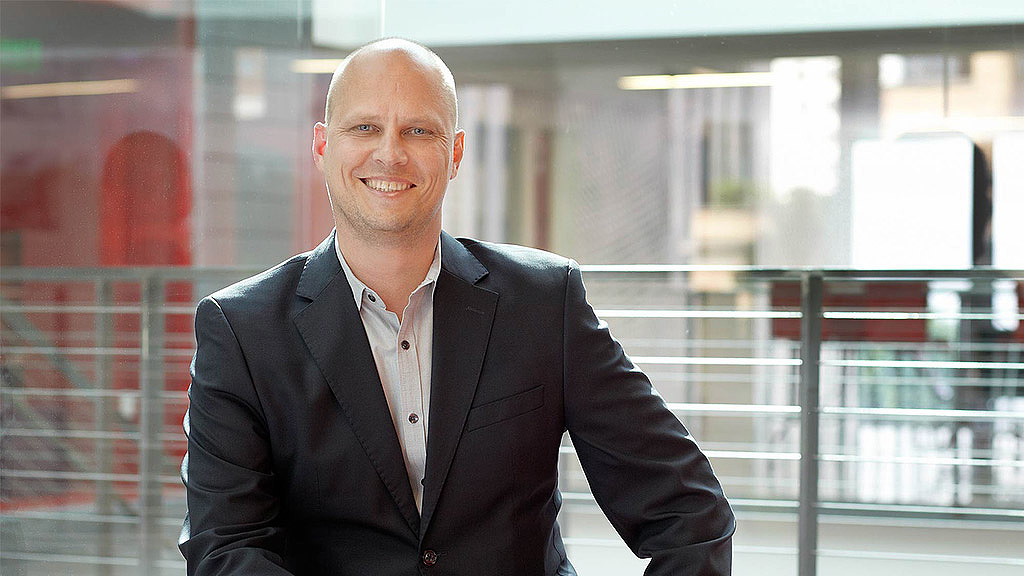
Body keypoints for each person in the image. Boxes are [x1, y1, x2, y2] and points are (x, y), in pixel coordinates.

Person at [178, 38, 735, 576]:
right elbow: (225, 549)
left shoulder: (544, 304)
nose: (390, 152)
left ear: (455, 154)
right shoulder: (242, 331)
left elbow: (692, 513)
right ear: (323, 147)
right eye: (365, 127)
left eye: (419, 130)